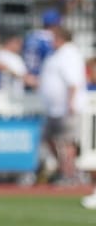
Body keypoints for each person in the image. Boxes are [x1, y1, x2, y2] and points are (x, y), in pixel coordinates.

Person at [38, 26, 87, 186]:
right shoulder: (57, 54)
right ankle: (63, 170)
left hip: (65, 108)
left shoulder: (69, 54)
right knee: (49, 139)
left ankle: (70, 174)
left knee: (66, 142)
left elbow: (73, 82)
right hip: (54, 108)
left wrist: (71, 103)